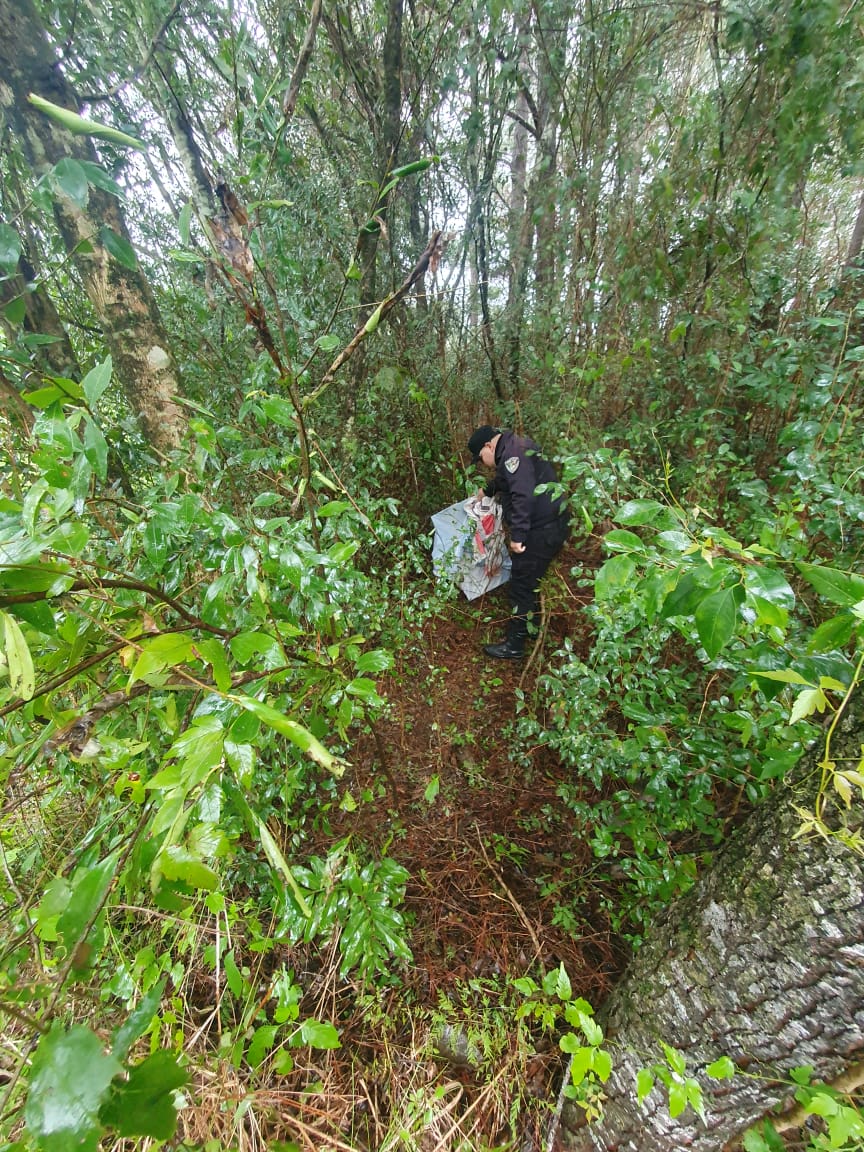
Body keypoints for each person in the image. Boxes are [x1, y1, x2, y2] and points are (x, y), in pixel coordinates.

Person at [467, 425, 569, 659]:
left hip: (541, 530)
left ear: (488, 446)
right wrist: (488, 490)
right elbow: (507, 479)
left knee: (521, 586)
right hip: (551, 524)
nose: (483, 464)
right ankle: (529, 629)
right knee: (530, 581)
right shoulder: (513, 448)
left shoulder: (513, 455)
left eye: (481, 459)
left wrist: (519, 537)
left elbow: (523, 494)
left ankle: (514, 645)